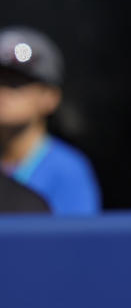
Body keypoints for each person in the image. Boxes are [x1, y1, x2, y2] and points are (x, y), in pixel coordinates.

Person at [0, 26, 101, 215]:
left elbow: (72, 241)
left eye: (16, 83)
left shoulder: (68, 171)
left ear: (50, 97)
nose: (4, 92)